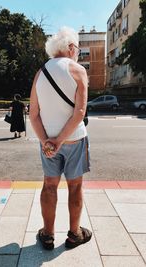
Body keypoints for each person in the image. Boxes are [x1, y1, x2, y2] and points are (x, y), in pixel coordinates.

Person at [29, 27, 92, 250]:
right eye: (77, 49)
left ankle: (47, 235)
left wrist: (48, 141)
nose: (78, 53)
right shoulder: (77, 70)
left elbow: (33, 114)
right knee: (75, 187)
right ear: (71, 47)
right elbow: (79, 113)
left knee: (49, 186)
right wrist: (61, 140)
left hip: (48, 143)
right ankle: (74, 234)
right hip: (75, 139)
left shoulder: (40, 73)